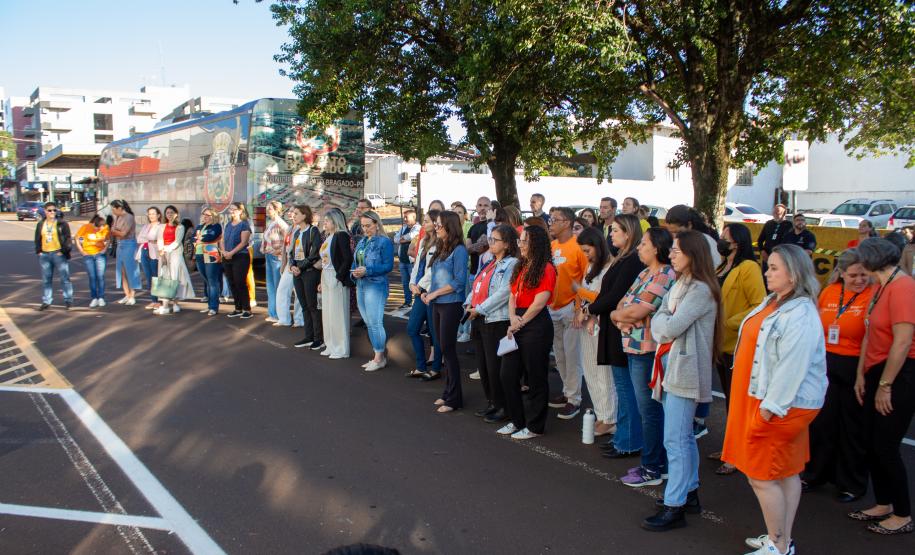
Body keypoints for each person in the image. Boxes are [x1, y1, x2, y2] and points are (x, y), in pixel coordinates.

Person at [721, 244, 827, 555]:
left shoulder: (800, 313)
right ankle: (780, 539)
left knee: (761, 476)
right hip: (766, 400)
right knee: (785, 472)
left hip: (778, 405)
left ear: (793, 275)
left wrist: (769, 409)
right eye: (768, 266)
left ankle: (779, 545)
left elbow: (792, 365)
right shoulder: (776, 302)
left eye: (774, 268)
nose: (767, 272)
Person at [641, 230, 720, 531]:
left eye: (676, 250)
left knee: (675, 439)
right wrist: (662, 324)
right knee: (682, 437)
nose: (671, 254)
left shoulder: (700, 289)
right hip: (672, 366)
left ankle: (675, 505)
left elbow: (668, 325)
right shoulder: (680, 282)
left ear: (693, 254)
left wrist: (661, 324)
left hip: (684, 370)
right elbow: (663, 318)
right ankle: (689, 493)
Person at [849, 238, 915, 535]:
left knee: (886, 446)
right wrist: (863, 374)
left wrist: (885, 385)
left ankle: (902, 514)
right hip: (877, 370)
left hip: (900, 374)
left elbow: (902, 343)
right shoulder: (880, 286)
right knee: (873, 444)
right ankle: (884, 502)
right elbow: (868, 333)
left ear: (873, 260)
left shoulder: (903, 288)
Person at [802, 249, 875, 502]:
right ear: (841, 273)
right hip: (825, 362)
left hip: (856, 365)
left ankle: (851, 484)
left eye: (864, 275)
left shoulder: (873, 295)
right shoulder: (830, 292)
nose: (859, 280)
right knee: (821, 423)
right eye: (853, 275)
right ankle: (814, 474)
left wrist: (862, 374)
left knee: (853, 428)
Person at [612, 226, 678, 488]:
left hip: (647, 350)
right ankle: (655, 464)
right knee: (646, 409)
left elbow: (638, 310)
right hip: (632, 344)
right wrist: (622, 317)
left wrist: (622, 316)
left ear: (657, 248)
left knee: (650, 410)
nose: (639, 248)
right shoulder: (643, 273)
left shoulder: (665, 276)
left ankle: (653, 467)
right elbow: (622, 305)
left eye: (643, 244)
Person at [587, 214, 647, 458]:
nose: (610, 235)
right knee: (623, 386)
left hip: (620, 328)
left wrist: (589, 309)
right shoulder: (623, 258)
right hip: (613, 325)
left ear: (629, 233)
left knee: (626, 388)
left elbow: (615, 295)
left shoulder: (632, 261)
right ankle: (624, 435)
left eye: (615, 231)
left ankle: (629, 440)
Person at [708, 223, 767, 475]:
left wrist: (728, 322)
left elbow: (758, 304)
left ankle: (737, 454)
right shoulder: (721, 266)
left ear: (738, 243)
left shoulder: (749, 268)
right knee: (731, 399)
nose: (721, 241)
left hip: (737, 344)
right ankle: (730, 447)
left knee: (737, 401)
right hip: (720, 342)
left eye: (725, 238)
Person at [499, 224, 556, 439]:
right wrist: (513, 318)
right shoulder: (521, 266)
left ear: (536, 244)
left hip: (536, 325)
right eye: (520, 240)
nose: (520, 244)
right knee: (507, 374)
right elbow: (512, 295)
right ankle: (517, 420)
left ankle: (535, 426)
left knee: (535, 377)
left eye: (524, 241)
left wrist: (519, 322)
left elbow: (540, 302)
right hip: (518, 321)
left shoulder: (547, 268)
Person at [466, 224, 519, 422]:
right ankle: (492, 402)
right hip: (479, 318)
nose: (490, 243)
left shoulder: (512, 263)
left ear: (506, 244)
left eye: (495, 240)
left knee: (495, 366)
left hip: (495, 320)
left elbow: (505, 291)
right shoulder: (489, 262)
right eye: (490, 239)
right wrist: (468, 303)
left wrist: (480, 308)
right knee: (484, 365)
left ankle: (503, 406)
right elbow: (477, 285)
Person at [422, 211, 469, 412]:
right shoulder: (441, 246)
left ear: (450, 226)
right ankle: (448, 392)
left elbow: (458, 282)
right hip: (438, 302)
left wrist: (434, 294)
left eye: (440, 224)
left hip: (451, 303)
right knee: (442, 347)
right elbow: (435, 276)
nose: (436, 227)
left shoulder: (459, 250)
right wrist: (428, 292)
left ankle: (454, 398)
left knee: (448, 350)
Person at [547, 206, 590, 419]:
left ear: (566, 223)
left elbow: (585, 279)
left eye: (554, 219)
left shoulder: (579, 247)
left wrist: (578, 309)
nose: (551, 223)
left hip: (570, 308)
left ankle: (574, 399)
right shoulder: (552, 245)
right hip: (552, 307)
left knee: (572, 356)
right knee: (560, 354)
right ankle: (567, 391)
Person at [574, 227, 617, 437]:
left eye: (587, 250)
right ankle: (600, 413)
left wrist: (584, 304)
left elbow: (602, 297)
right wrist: (579, 310)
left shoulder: (611, 266)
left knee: (603, 372)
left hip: (600, 323)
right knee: (590, 370)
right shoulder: (591, 266)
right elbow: (584, 295)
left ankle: (610, 417)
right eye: (583, 251)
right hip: (586, 322)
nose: (586, 255)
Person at [352, 210, 394, 371]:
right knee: (369, 322)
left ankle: (379, 357)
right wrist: (355, 272)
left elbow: (388, 266)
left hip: (376, 285)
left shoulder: (385, 242)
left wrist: (367, 270)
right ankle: (377, 354)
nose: (365, 229)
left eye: (368, 226)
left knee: (375, 322)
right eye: (363, 226)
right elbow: (356, 262)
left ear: (377, 224)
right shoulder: (362, 241)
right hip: (361, 284)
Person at [406, 210, 443, 380]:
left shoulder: (441, 242)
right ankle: (421, 366)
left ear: (436, 223)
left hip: (431, 292)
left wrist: (420, 286)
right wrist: (412, 283)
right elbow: (417, 266)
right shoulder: (423, 241)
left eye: (427, 220)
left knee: (435, 333)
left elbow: (433, 269)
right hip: (419, 291)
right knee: (412, 328)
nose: (425, 223)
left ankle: (435, 368)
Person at [318, 208, 354, 359]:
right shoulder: (328, 236)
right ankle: (330, 344)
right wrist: (321, 280)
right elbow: (324, 261)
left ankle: (341, 348)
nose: (324, 223)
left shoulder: (342, 235)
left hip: (336, 276)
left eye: (327, 220)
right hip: (325, 275)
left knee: (338, 313)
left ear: (335, 221)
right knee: (327, 313)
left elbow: (347, 258)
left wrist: (339, 277)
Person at [290, 205, 324, 351]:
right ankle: (308, 336)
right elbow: (292, 252)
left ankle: (318, 338)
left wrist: (301, 267)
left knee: (312, 306)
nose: (293, 216)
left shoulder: (313, 230)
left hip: (309, 272)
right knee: (304, 306)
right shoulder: (297, 232)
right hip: (297, 273)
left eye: (296, 213)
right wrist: (292, 266)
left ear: (304, 215)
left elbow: (315, 253)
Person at [154, 205, 195, 315]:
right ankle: (165, 305)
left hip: (175, 255)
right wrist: (161, 252)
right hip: (163, 254)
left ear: (176, 214)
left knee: (175, 278)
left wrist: (165, 250)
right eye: (167, 213)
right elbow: (159, 240)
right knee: (164, 278)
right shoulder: (161, 226)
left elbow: (177, 242)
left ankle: (176, 303)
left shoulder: (180, 227)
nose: (169, 215)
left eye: (172, 212)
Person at [220, 202, 253, 319]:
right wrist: (224, 252)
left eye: (234, 209)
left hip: (240, 257)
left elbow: (243, 242)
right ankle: (237, 308)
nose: (231, 211)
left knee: (240, 282)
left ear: (240, 211)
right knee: (232, 283)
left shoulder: (244, 225)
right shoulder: (228, 224)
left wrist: (231, 253)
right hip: (227, 257)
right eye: (230, 209)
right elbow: (222, 239)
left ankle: (247, 309)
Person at [276, 208, 305, 328]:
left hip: (299, 265)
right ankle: (284, 319)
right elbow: (285, 248)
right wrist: (283, 264)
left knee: (299, 294)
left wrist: (298, 265)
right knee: (282, 290)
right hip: (289, 263)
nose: (292, 215)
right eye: (291, 212)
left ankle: (299, 320)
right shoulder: (289, 228)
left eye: (295, 213)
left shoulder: (302, 228)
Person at [262, 200, 290, 323]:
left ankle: (279, 314)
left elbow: (287, 240)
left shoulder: (280, 223)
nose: (268, 211)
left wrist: (279, 251)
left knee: (277, 286)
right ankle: (273, 313)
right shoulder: (271, 223)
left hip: (276, 258)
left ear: (277, 210)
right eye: (267, 208)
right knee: (270, 286)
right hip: (269, 255)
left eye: (270, 209)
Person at [109, 199, 141, 306]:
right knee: (122, 271)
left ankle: (132, 295)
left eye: (113, 209)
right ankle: (127, 294)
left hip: (129, 244)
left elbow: (123, 233)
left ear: (119, 208)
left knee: (130, 270)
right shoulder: (117, 217)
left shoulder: (129, 217)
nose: (112, 211)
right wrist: (115, 231)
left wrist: (114, 231)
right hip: (120, 245)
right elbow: (115, 231)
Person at [75, 213, 109, 308]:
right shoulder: (86, 227)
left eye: (102, 228)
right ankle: (94, 298)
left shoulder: (105, 227)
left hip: (100, 255)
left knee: (100, 276)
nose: (100, 230)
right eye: (98, 229)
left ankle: (101, 297)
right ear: (95, 225)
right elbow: (77, 238)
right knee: (92, 277)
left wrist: (105, 248)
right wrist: (82, 251)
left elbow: (108, 239)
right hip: (88, 254)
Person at [194, 208, 224, 316]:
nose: (205, 216)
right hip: (199, 254)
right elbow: (193, 238)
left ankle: (214, 307)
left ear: (213, 216)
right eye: (204, 214)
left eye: (208, 215)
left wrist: (200, 239)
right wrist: (199, 239)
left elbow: (211, 236)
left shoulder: (216, 226)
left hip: (211, 253)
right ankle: (209, 305)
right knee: (206, 280)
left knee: (212, 281)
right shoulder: (200, 226)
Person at [136, 207, 163, 310]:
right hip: (144, 251)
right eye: (149, 214)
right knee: (148, 277)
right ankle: (153, 300)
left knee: (155, 276)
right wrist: (150, 239)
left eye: (153, 214)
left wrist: (148, 239)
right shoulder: (146, 226)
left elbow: (156, 238)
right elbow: (139, 239)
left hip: (155, 253)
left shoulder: (160, 226)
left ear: (158, 215)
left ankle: (158, 301)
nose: (151, 216)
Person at [393, 210, 421, 310]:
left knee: (414, 282)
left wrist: (402, 238)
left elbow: (412, 236)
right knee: (405, 283)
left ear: (414, 218)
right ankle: (408, 302)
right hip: (402, 260)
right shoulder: (404, 228)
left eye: (407, 217)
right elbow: (395, 239)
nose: (404, 219)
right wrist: (404, 239)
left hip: (411, 261)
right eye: (404, 217)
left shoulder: (418, 228)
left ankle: (417, 303)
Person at [757, 204, 791, 271]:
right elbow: (760, 240)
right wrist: (762, 251)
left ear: (784, 213)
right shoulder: (768, 224)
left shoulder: (789, 225)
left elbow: (789, 243)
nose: (774, 214)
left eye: (777, 212)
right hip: (767, 256)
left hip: (781, 257)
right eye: (774, 212)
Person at [467, 196, 492, 275]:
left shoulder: (492, 225)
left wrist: (473, 247)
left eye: (486, 205)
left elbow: (485, 245)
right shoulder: (472, 227)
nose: (482, 208)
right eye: (480, 205)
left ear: (490, 208)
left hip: (486, 273)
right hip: (473, 273)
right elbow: (467, 249)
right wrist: (478, 246)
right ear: (476, 208)